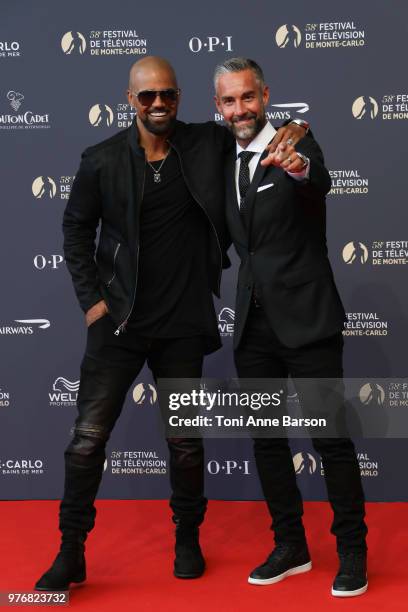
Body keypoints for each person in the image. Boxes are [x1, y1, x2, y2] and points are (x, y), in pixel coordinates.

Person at [34, 56, 306, 591]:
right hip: (118, 325)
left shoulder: (206, 143)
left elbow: (257, 124)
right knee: (86, 442)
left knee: (184, 443)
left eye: (168, 96)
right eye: (146, 97)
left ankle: (187, 537)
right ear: (129, 100)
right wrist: (93, 303)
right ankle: (70, 551)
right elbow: (75, 231)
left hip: (182, 324)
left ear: (179, 99)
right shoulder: (101, 160)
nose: (158, 104)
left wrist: (298, 127)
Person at [214, 57, 368, 598]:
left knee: (331, 440)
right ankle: (291, 544)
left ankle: (352, 551)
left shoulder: (297, 143)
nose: (240, 109)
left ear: (265, 95)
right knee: (268, 441)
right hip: (253, 329)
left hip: (308, 322)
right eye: (230, 100)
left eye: (248, 97)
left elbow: (314, 181)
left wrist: (296, 163)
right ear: (219, 106)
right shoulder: (223, 162)